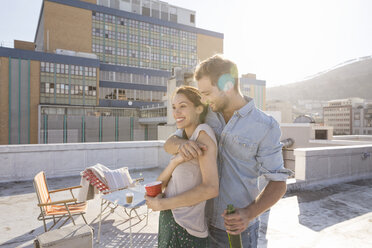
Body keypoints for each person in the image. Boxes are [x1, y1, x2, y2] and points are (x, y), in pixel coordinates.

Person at [164, 55, 293, 247]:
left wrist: (248, 214)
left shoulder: (265, 126)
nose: (204, 99)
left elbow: (278, 183)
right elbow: (170, 142)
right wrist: (181, 145)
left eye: (207, 93)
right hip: (198, 224)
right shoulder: (206, 114)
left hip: (235, 231)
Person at [145, 86, 219, 247]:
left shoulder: (203, 133)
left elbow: (211, 188)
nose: (176, 112)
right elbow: (162, 183)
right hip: (168, 219)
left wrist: (162, 204)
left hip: (187, 228)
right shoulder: (182, 136)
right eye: (174, 107)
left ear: (199, 108)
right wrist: (175, 161)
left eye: (183, 106)